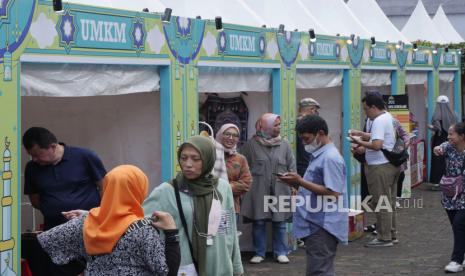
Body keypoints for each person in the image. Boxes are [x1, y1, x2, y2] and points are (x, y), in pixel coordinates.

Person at [37, 165, 181, 276]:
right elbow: (166, 272)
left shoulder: (85, 222)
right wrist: (171, 233)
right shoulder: (143, 230)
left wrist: (80, 268)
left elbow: (44, 243)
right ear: (139, 190)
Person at [143, 136, 243, 276]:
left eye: (196, 159)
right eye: (183, 158)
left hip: (220, 267)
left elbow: (229, 230)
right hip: (186, 268)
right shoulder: (166, 191)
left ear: (208, 159)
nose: (188, 164)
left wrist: (237, 268)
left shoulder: (222, 188)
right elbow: (141, 228)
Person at [22, 126, 107, 275]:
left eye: (37, 155)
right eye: (31, 156)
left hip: (89, 229)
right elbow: (34, 199)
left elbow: (105, 187)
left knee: (93, 269)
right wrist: (53, 209)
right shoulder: (32, 168)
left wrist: (96, 214)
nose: (34, 159)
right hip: (54, 231)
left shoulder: (85, 156)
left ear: (53, 147)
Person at [279, 115, 348, 276]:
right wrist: (295, 183)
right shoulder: (321, 155)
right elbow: (317, 187)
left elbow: (333, 193)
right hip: (317, 222)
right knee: (319, 269)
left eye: (306, 139)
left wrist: (300, 182)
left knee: (319, 271)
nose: (304, 144)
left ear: (321, 133)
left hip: (323, 225)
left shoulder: (330, 158)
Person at [240, 113, 296, 264]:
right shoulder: (251, 145)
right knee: (258, 221)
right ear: (266, 126)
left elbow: (292, 166)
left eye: (279, 125)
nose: (279, 128)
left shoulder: (284, 144)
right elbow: (242, 166)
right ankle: (259, 252)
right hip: (258, 189)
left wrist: (293, 186)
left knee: (280, 222)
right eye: (276, 125)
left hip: (280, 188)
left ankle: (281, 252)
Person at [349, 93, 400, 247]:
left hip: (380, 167)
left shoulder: (377, 120)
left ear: (373, 107)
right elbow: (380, 136)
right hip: (390, 165)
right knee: (389, 202)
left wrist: (359, 142)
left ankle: (384, 238)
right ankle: (390, 233)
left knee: (381, 202)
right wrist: (362, 134)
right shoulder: (387, 117)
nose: (365, 112)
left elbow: (377, 145)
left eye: (366, 109)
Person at [433, 123, 465, 273]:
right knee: (457, 226)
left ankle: (456, 260)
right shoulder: (449, 147)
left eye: (452, 134)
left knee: (459, 224)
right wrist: (437, 149)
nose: (449, 136)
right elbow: (440, 147)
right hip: (451, 195)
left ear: (461, 136)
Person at [215, 123, 253, 215]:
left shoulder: (240, 159)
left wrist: (225, 187)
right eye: (227, 134)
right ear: (220, 135)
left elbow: (246, 183)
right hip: (209, 204)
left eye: (235, 135)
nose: (231, 138)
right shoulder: (210, 153)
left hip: (231, 206)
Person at [429, 95, 457, 186]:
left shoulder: (436, 115)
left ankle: (436, 181)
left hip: (438, 140)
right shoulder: (453, 115)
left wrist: (430, 127)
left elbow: (437, 129)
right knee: (449, 160)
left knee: (437, 160)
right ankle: (450, 180)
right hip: (451, 141)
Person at [296, 98, 320, 177]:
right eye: (316, 110)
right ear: (312, 109)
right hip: (305, 165)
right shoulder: (306, 122)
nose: (317, 113)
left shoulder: (294, 121)